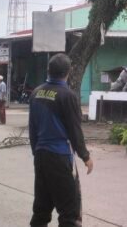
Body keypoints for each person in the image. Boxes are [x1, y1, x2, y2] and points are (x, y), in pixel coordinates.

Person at [29, 53, 93, 227]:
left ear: (48, 70)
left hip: (41, 156)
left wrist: (37, 152)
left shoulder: (36, 93)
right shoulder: (68, 96)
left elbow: (32, 129)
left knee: (41, 209)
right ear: (69, 71)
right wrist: (85, 156)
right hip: (60, 157)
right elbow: (75, 130)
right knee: (70, 213)